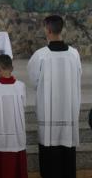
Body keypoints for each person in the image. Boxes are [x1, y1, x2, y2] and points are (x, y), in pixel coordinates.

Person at [27, 15, 82, 178]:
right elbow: (77, 78)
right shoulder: (74, 54)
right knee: (67, 163)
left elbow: (34, 80)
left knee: (50, 164)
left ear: (48, 30)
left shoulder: (40, 55)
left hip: (49, 114)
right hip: (68, 113)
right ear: (61, 29)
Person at [0, 55, 27, 178]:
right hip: (17, 133)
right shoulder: (21, 86)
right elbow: (22, 106)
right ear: (12, 68)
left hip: (1, 133)